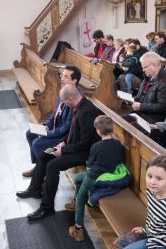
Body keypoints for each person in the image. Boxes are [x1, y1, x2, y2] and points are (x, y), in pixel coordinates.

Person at [16, 85, 102, 220]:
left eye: (64, 101)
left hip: (84, 153)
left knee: (52, 166)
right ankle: (35, 190)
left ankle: (47, 208)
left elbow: (85, 144)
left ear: (70, 99)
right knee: (45, 153)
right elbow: (74, 133)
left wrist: (63, 150)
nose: (63, 103)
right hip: (71, 145)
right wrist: (62, 143)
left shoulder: (87, 112)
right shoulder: (79, 105)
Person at [68, 116, 125, 241]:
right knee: (78, 178)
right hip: (109, 174)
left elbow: (89, 163)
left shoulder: (96, 146)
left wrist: (92, 166)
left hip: (94, 175)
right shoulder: (118, 144)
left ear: (98, 130)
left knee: (82, 197)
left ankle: (78, 230)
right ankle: (75, 203)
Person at [22, 65, 82, 176]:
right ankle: (39, 167)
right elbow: (55, 113)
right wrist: (47, 126)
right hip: (54, 128)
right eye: (62, 75)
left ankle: (42, 171)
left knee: (37, 144)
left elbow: (68, 127)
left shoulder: (75, 97)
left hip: (64, 136)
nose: (62, 79)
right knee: (30, 133)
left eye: (66, 77)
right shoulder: (63, 91)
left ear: (74, 80)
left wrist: (48, 134)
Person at [132, 52, 166, 125]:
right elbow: (141, 97)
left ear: (154, 65)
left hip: (152, 120)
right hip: (140, 114)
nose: (143, 70)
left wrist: (141, 106)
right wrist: (132, 100)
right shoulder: (147, 78)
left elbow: (162, 107)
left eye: (145, 67)